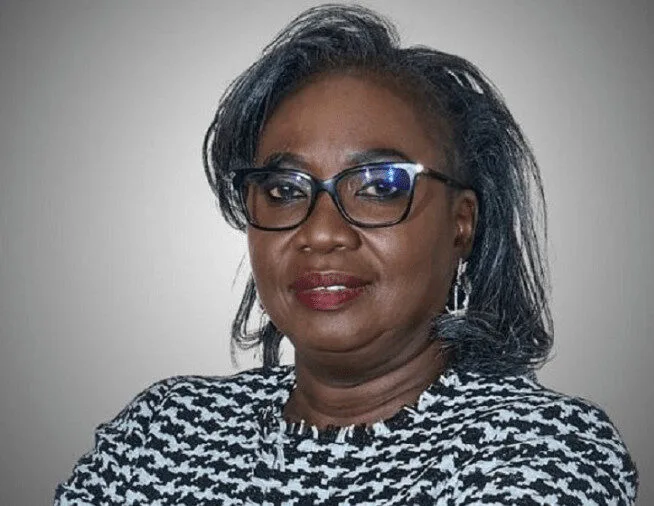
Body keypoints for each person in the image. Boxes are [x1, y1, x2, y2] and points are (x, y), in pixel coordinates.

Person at [55, 5, 638, 504]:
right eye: (284, 190)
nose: (321, 232)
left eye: (380, 185)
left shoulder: (541, 446)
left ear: (462, 223)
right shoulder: (165, 427)